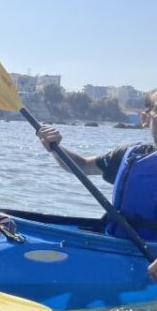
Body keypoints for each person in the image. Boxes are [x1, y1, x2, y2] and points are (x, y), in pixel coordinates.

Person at [36, 89, 157, 279]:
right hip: (115, 248)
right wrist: (55, 148)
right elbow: (82, 166)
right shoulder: (130, 154)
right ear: (145, 118)